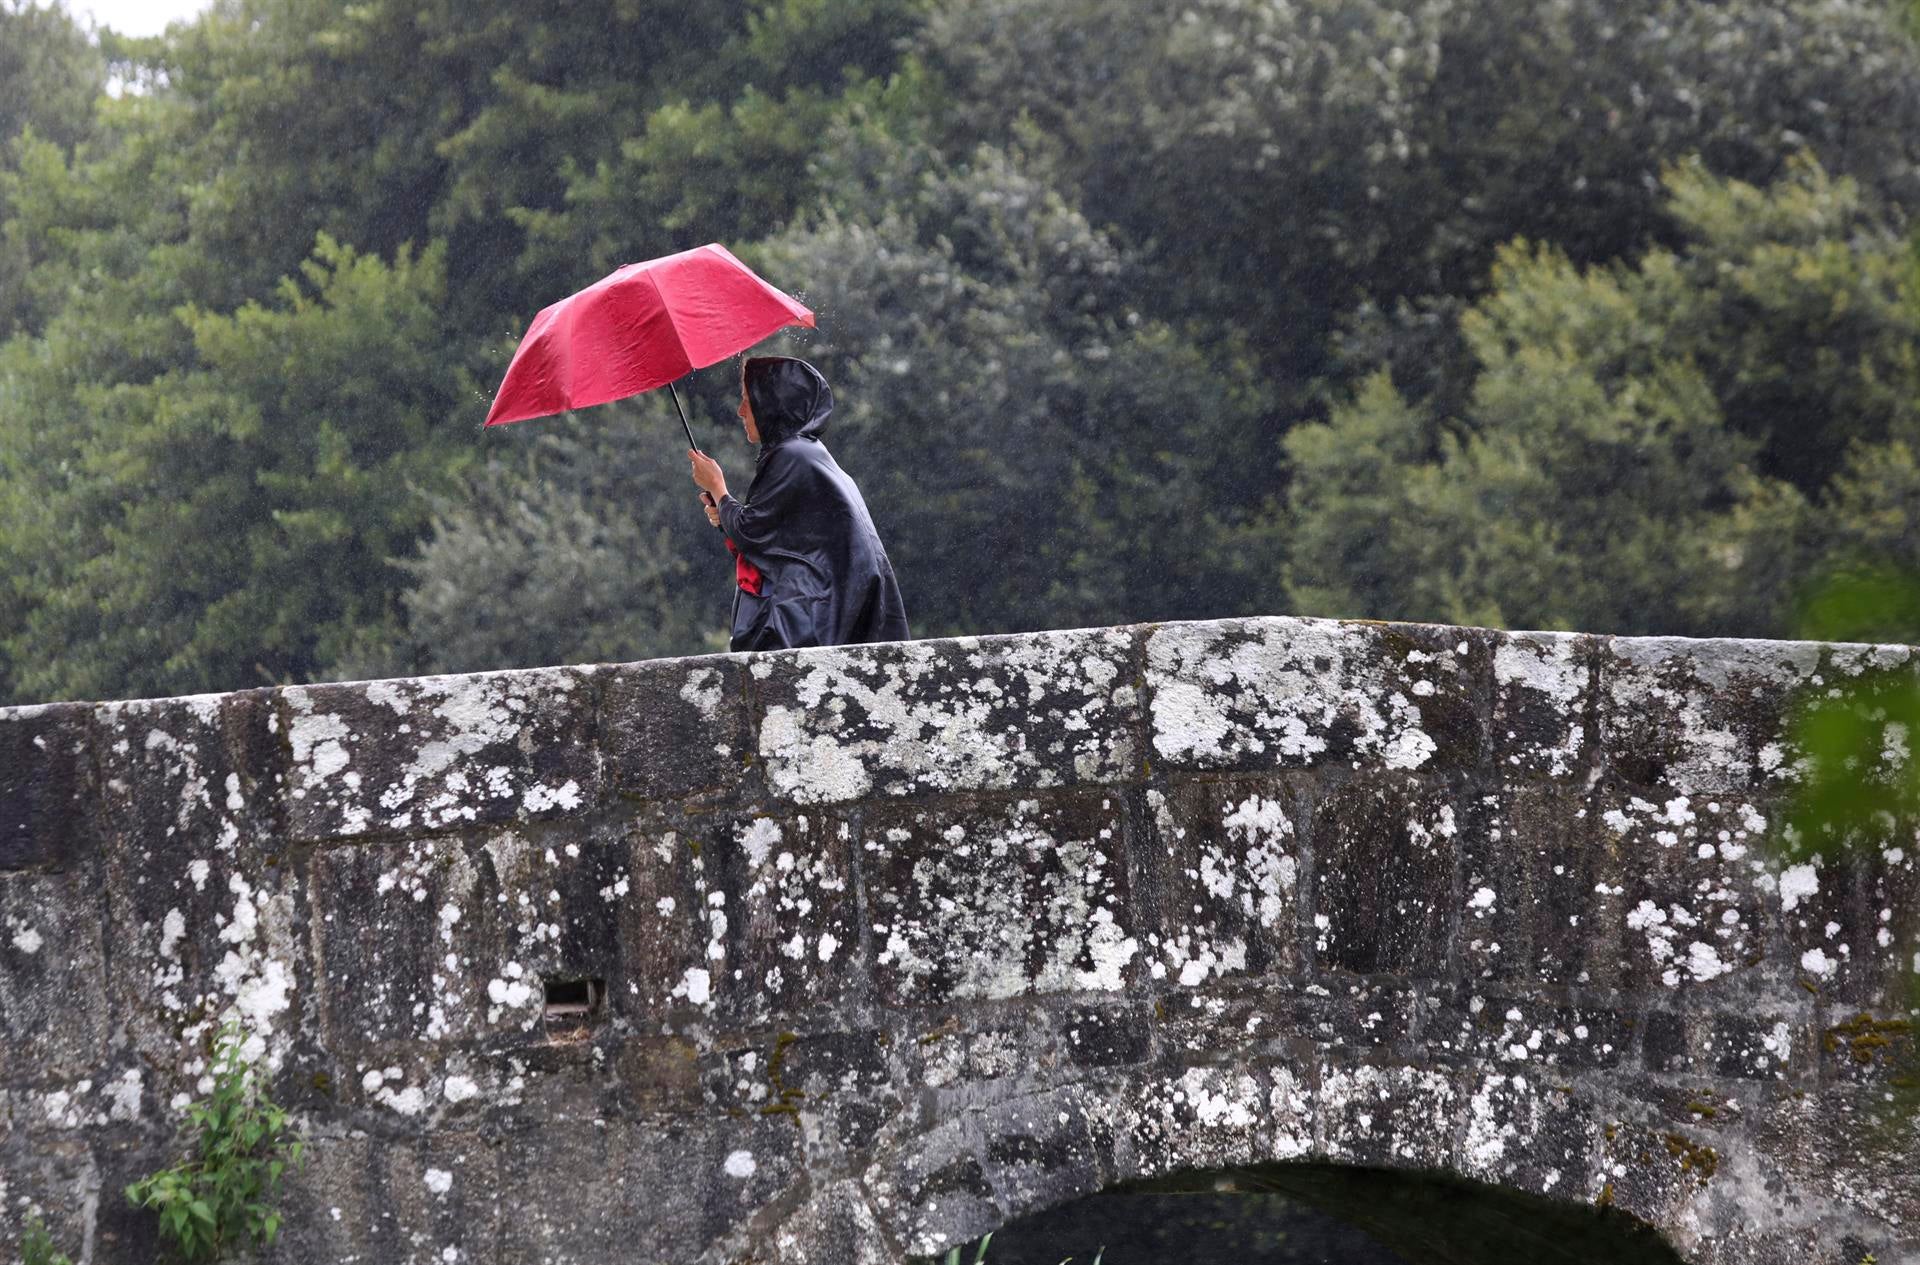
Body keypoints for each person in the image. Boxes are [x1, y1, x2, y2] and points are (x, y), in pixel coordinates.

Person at [688, 356, 909, 652]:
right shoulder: (808, 453)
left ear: (770, 404)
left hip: (816, 611)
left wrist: (717, 487)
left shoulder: (792, 455)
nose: (740, 411)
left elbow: (752, 531)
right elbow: (776, 536)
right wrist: (723, 508)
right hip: (834, 605)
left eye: (747, 400)